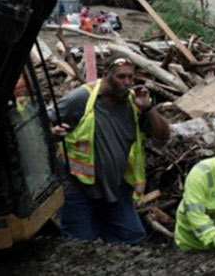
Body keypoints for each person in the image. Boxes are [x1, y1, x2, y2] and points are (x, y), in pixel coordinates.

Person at [50, 57, 171, 244]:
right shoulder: (82, 98)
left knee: (134, 239)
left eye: (131, 77)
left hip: (116, 188)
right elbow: (46, 122)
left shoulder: (134, 104)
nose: (127, 82)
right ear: (106, 74)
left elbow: (163, 135)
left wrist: (148, 109)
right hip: (78, 188)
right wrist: (52, 133)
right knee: (80, 245)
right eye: (121, 77)